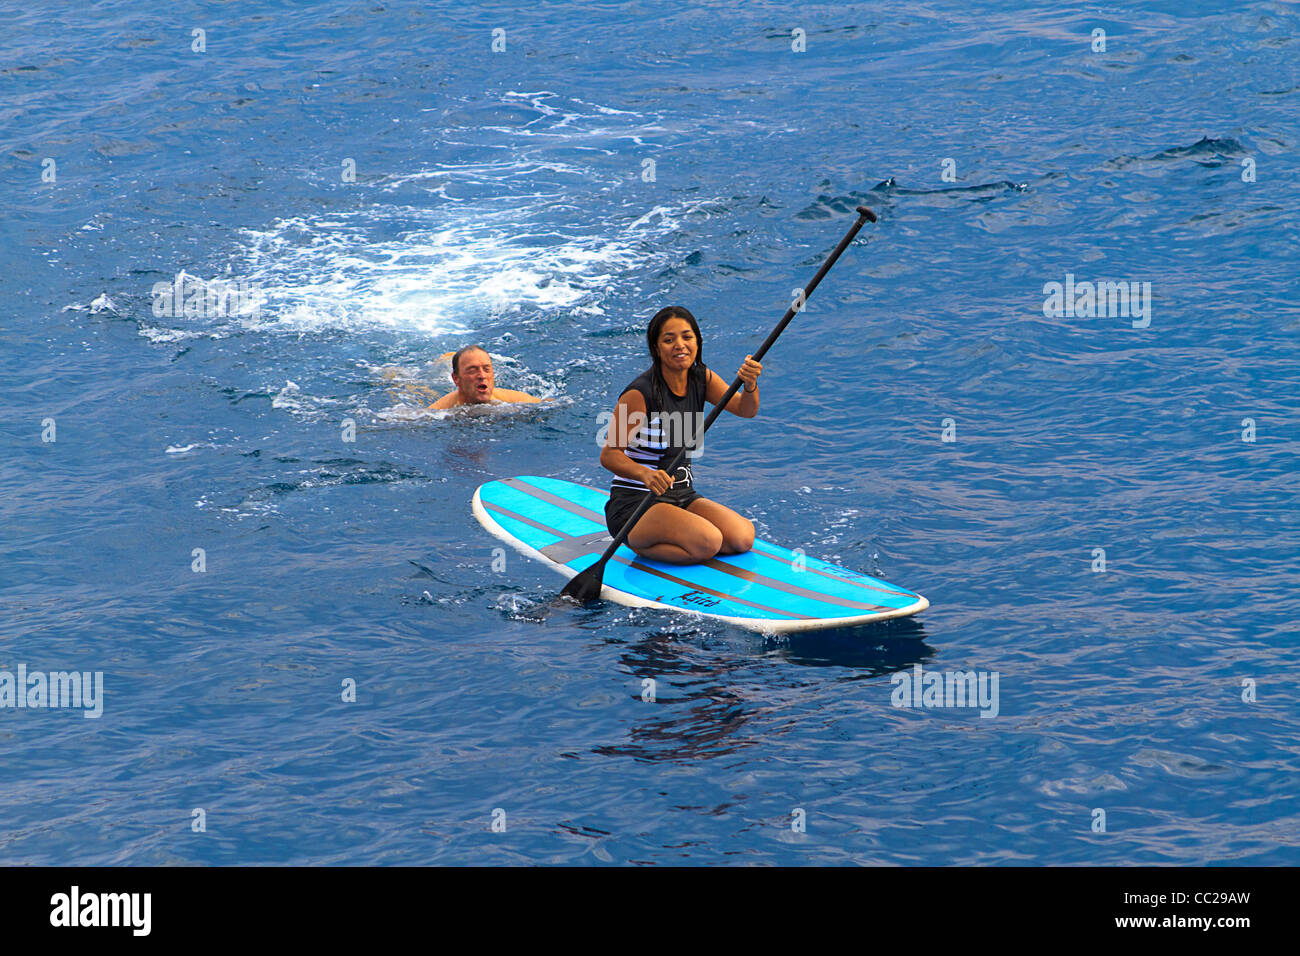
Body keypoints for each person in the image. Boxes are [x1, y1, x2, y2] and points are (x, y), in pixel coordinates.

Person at [599, 305, 762, 564]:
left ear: (697, 342)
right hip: (637, 503)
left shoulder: (701, 379)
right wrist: (645, 474)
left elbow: (745, 409)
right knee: (708, 542)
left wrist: (750, 384)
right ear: (656, 348)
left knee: (742, 537)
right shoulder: (639, 394)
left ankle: (681, 537)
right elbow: (609, 455)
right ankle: (639, 545)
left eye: (687, 337)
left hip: (682, 495)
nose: (680, 345)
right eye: (668, 339)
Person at [430, 346, 541, 409]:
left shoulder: (515, 401)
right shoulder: (439, 411)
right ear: (456, 379)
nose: (482, 376)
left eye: (487, 369)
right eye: (472, 371)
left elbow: (550, 404)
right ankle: (445, 360)